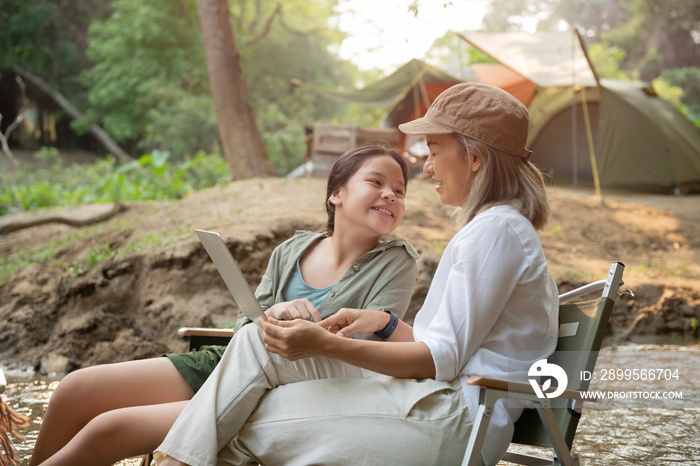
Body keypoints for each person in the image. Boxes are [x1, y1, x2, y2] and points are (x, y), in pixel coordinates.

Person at [154, 82, 559, 466]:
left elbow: (442, 360)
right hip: (440, 397)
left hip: (455, 419)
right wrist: (383, 323)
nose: (427, 167)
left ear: (475, 158)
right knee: (256, 343)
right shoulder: (492, 228)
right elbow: (448, 345)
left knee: (243, 422)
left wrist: (326, 346)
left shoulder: (495, 231)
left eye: (434, 151)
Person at [31, 144, 419, 466]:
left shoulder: (397, 261)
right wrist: (273, 315)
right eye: (376, 182)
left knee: (107, 428)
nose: (391, 194)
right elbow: (244, 325)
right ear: (337, 193)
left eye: (399, 191)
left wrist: (309, 331)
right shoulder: (292, 249)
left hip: (290, 384)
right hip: (232, 359)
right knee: (75, 388)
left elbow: (374, 343)